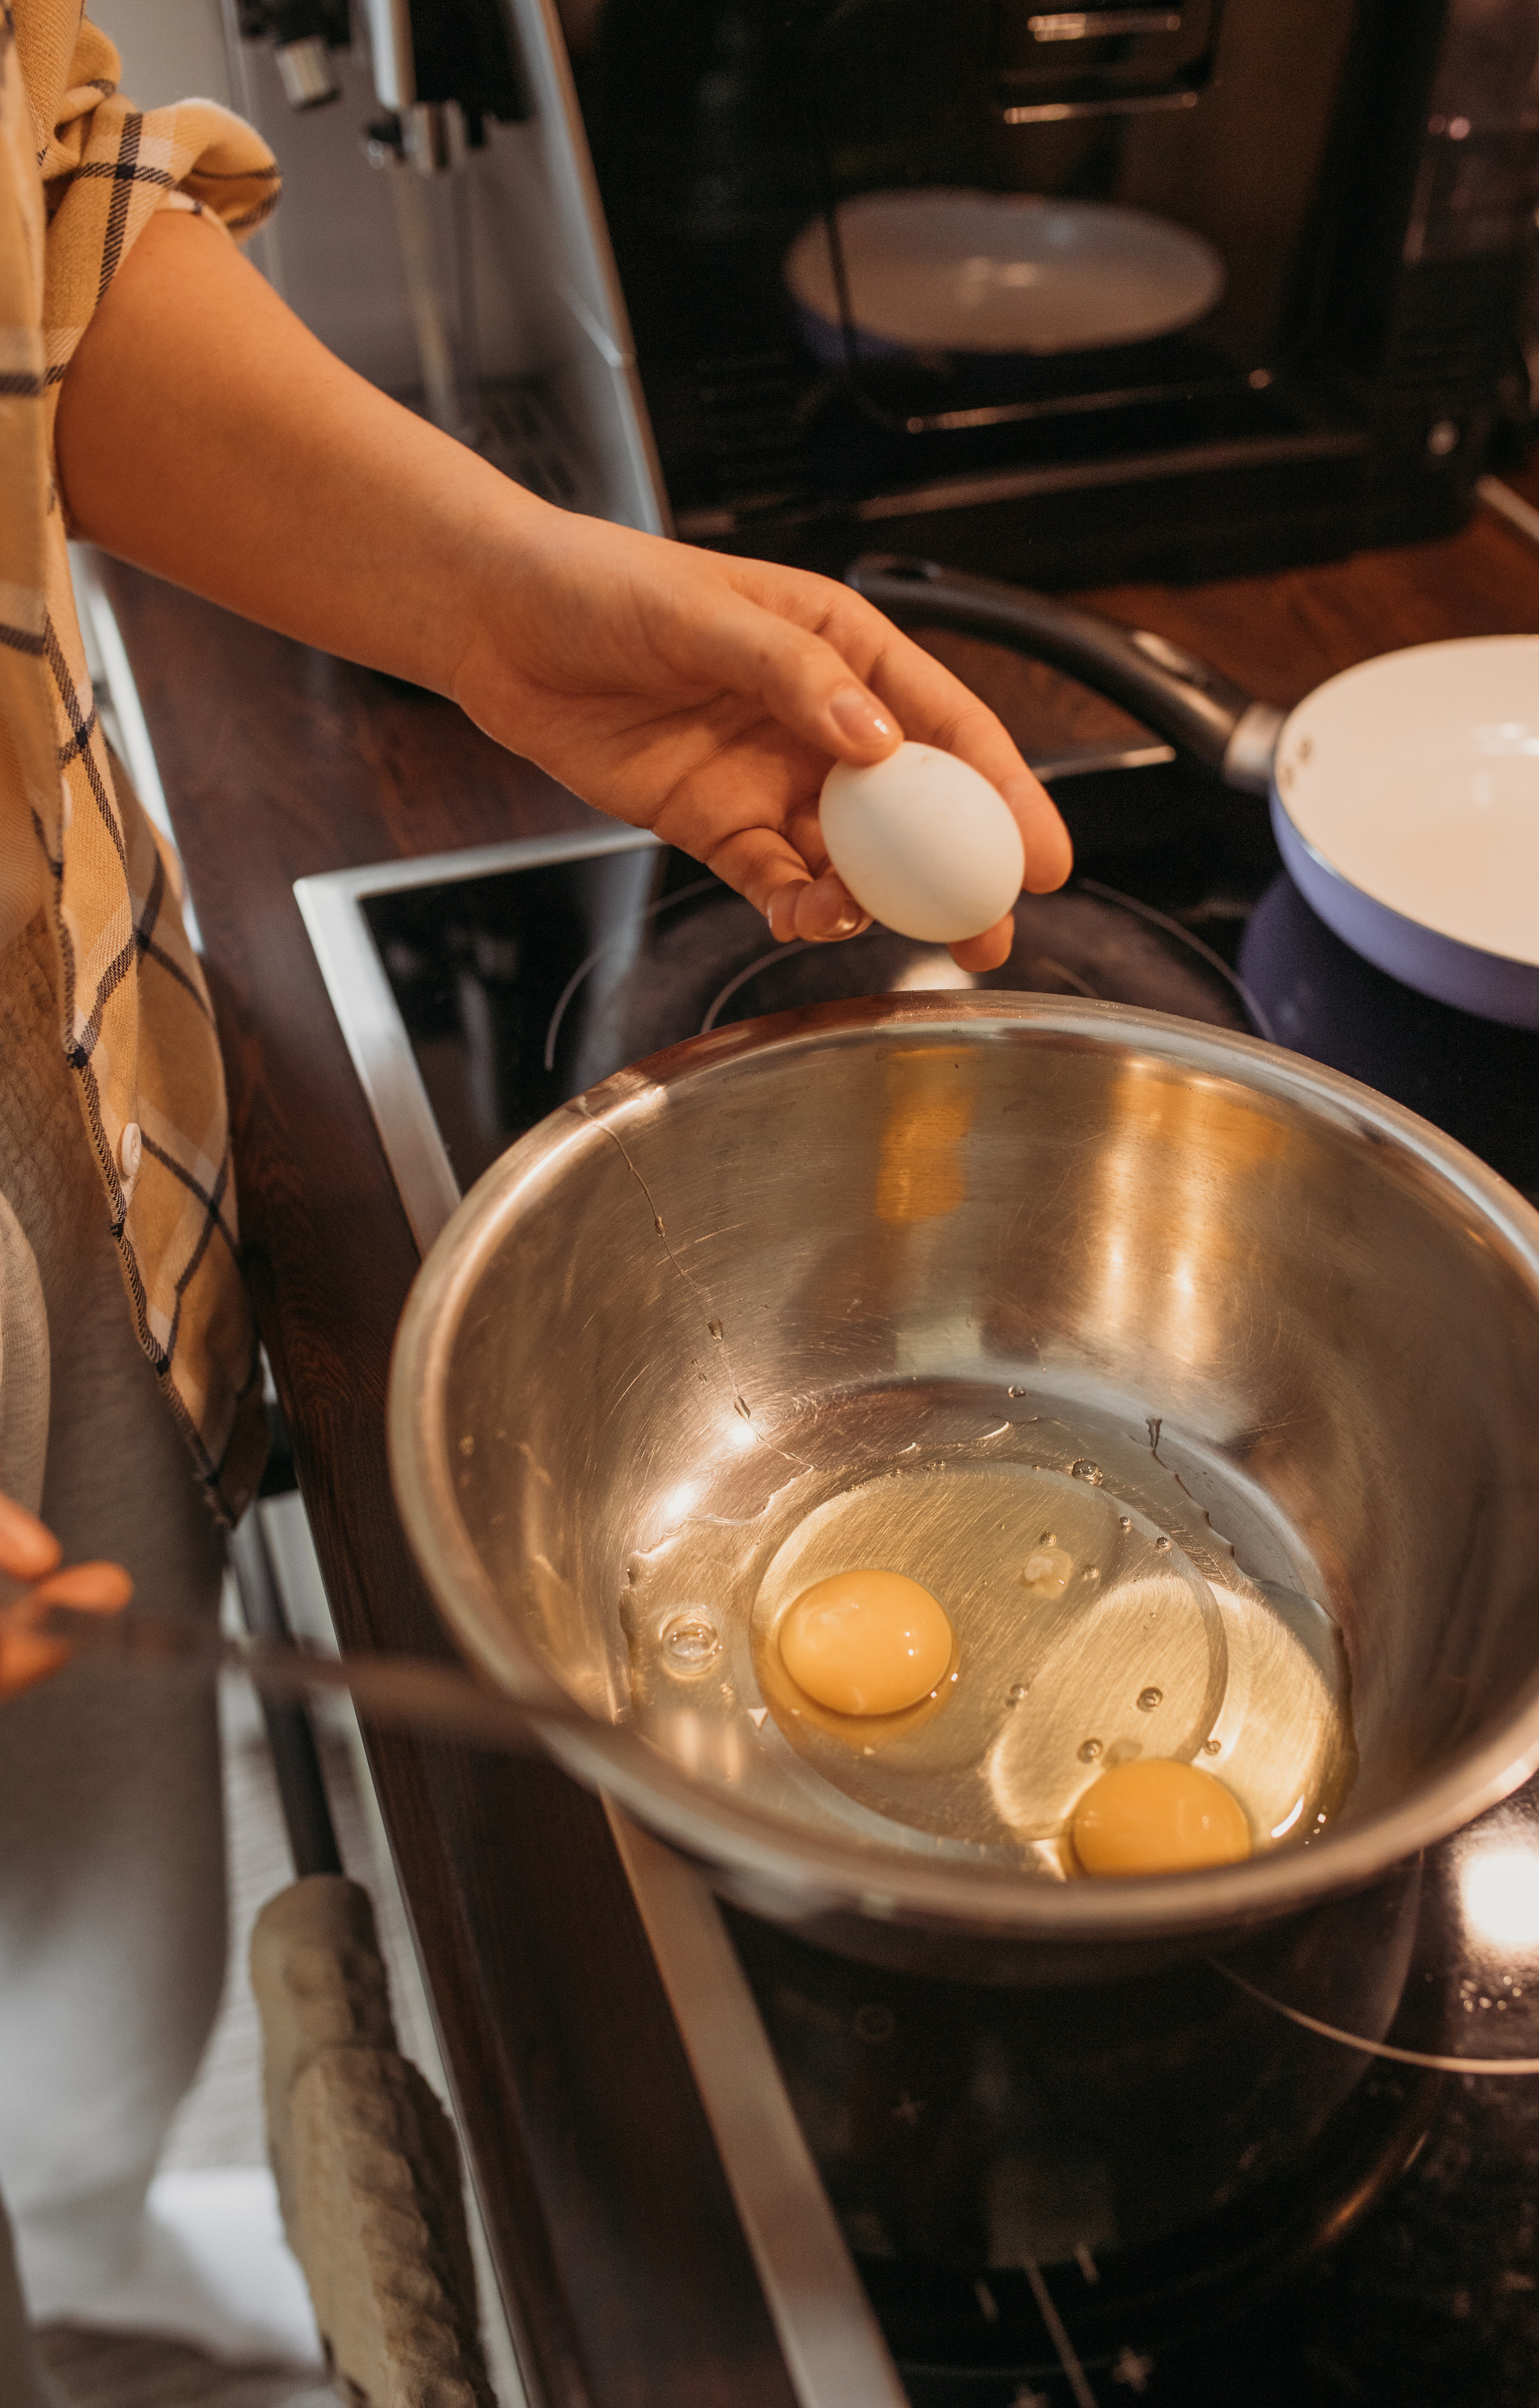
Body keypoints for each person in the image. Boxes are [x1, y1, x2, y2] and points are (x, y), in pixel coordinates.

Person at [0, 5, 1071, 2397]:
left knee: (85, 1962)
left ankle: (72, 2276)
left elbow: (27, 236)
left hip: (41, 1113)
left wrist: (503, 605)